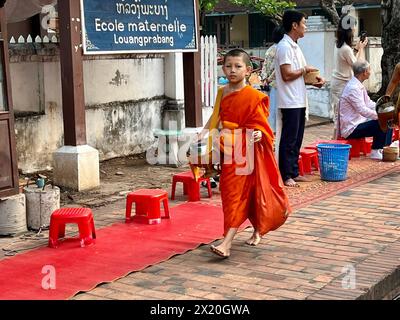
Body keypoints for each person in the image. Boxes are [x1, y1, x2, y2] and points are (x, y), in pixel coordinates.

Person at [197, 48, 291, 258]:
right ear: (223, 68)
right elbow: (216, 117)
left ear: (248, 70)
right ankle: (256, 228)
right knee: (231, 193)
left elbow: (261, 125)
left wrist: (259, 134)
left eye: (238, 66)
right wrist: (203, 134)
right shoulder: (223, 92)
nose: (232, 70)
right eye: (228, 66)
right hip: (228, 147)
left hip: (247, 148)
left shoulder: (254, 96)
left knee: (239, 193)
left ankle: (226, 243)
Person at [275, 10, 325, 187]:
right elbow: (287, 74)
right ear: (294, 25)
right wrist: (304, 71)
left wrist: (314, 81)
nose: (305, 27)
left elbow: (300, 74)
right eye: (303, 23)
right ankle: (286, 173)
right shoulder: (284, 47)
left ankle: (294, 171)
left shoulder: (295, 46)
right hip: (289, 100)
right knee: (289, 139)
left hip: (298, 98)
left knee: (297, 138)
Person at [338, 61, 392, 160]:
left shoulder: (358, 85)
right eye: (369, 69)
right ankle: (376, 150)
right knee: (381, 122)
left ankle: (385, 148)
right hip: (351, 128)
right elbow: (362, 110)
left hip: (360, 122)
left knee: (388, 120)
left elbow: (368, 103)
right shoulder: (353, 88)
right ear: (365, 72)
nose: (370, 72)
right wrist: (380, 116)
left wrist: (382, 109)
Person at [331, 14, 368, 139]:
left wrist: (357, 50)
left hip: (339, 83)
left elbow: (352, 61)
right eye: (353, 27)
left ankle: (336, 142)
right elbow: (359, 66)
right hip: (342, 84)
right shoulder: (345, 49)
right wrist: (362, 48)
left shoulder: (339, 45)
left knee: (340, 116)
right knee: (340, 118)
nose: (354, 29)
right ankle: (335, 144)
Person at [260, 26, 285, 134]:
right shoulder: (282, 49)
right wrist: (270, 79)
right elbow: (278, 68)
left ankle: (271, 131)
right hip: (277, 83)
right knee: (277, 110)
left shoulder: (270, 49)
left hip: (269, 84)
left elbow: (264, 66)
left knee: (271, 109)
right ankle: (274, 132)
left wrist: (265, 79)